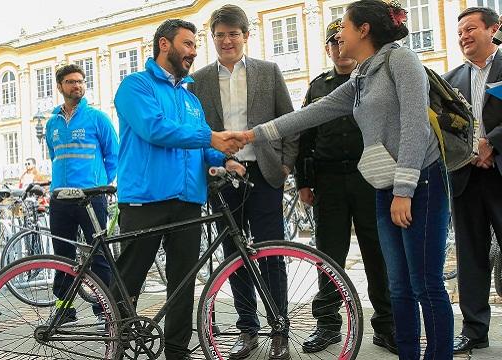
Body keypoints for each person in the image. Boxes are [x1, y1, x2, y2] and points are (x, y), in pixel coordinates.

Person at [238, 1, 453, 358]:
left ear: (364, 30)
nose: (340, 35)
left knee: (425, 284)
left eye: (346, 28)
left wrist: (404, 190)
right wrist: (251, 135)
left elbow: (416, 125)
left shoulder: (401, 60)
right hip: (384, 187)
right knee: (399, 285)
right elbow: (312, 113)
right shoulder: (362, 75)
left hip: (420, 185)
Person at [112, 19, 244, 360]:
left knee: (183, 284)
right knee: (129, 281)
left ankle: (176, 352)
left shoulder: (190, 99)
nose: (194, 51)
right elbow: (155, 129)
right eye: (187, 43)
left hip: (188, 199)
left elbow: (201, 145)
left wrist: (225, 158)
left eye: (195, 44)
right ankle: (116, 344)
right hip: (146, 199)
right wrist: (210, 137)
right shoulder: (134, 87)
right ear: (164, 45)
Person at [188, 5, 297, 359]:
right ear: (213, 39)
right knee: (233, 254)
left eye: (233, 34)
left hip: (265, 174)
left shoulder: (268, 71)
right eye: (220, 35)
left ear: (246, 36)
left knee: (273, 252)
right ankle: (247, 329)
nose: (226, 41)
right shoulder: (200, 79)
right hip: (223, 178)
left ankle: (280, 328)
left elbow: (289, 119)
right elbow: (199, 130)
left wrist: (285, 165)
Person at [295, 19, 396, 354]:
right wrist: (304, 182)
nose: (340, 49)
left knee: (378, 253)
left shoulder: (372, 80)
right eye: (333, 43)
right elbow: (304, 138)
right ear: (327, 49)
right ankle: (327, 326)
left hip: (369, 178)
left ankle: (386, 325)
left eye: (343, 40)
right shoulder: (318, 86)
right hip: (328, 182)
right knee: (328, 255)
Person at [443, 7, 502, 354]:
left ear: (493, 29)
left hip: (499, 170)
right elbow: (445, 128)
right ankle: (475, 329)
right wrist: (469, 151)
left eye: (471, 29)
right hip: (465, 177)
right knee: (471, 255)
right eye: (460, 31)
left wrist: (491, 142)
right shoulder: (450, 80)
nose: (464, 36)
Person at [45, 64, 119, 326]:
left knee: (98, 254)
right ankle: (64, 309)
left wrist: (100, 184)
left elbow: (114, 155)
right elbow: (55, 156)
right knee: (61, 256)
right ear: (60, 87)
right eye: (70, 82)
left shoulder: (97, 118)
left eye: (80, 81)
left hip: (91, 198)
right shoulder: (51, 123)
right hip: (60, 199)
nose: (76, 85)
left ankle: (105, 310)